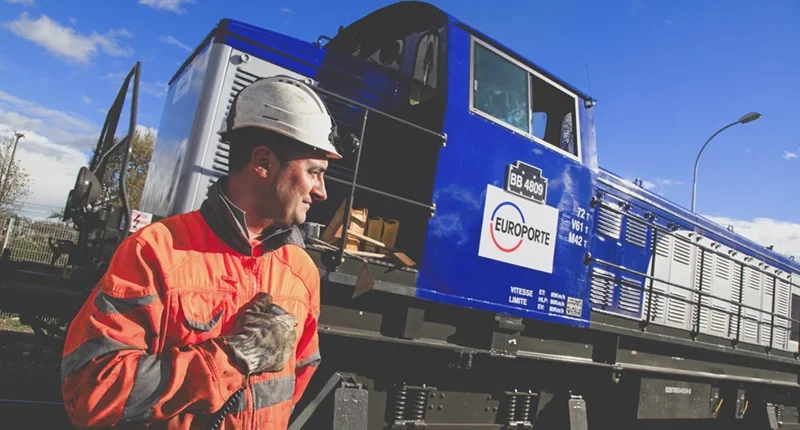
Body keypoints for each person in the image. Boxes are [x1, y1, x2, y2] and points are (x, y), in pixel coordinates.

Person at [60, 75, 343, 429]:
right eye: (314, 172)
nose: (322, 192)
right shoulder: (155, 252)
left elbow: (299, 375)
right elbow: (91, 392)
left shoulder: (300, 270)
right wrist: (231, 359)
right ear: (263, 162)